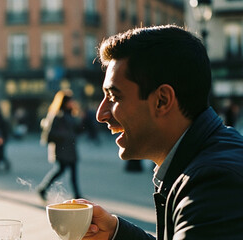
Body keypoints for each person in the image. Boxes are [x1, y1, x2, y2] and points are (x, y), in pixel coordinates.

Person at [74, 25, 243, 240]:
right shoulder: (207, 159)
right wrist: (115, 233)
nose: (101, 114)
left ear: (162, 100)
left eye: (114, 97)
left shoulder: (214, 185)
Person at [38, 89, 84, 200]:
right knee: (59, 170)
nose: (72, 103)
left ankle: (77, 195)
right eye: (70, 101)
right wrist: (66, 135)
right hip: (61, 150)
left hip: (71, 149)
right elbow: (50, 133)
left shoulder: (71, 114)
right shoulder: (57, 115)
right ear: (64, 102)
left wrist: (82, 119)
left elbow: (78, 131)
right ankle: (43, 189)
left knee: (72, 173)